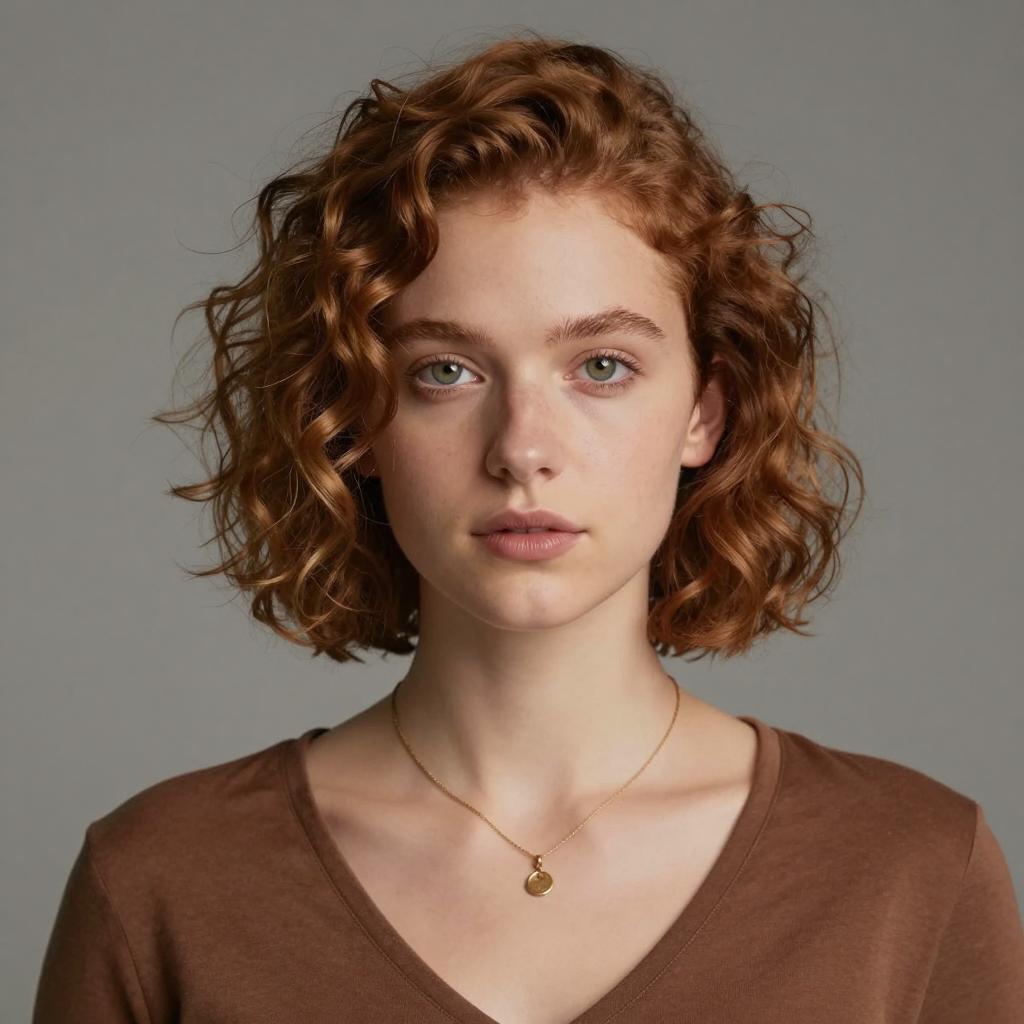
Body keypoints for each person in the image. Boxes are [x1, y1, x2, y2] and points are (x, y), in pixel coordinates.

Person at [32, 31, 1023, 1024]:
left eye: (601, 366)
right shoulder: (163, 883)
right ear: (356, 420)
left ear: (703, 413)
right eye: (444, 371)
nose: (521, 448)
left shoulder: (909, 870)